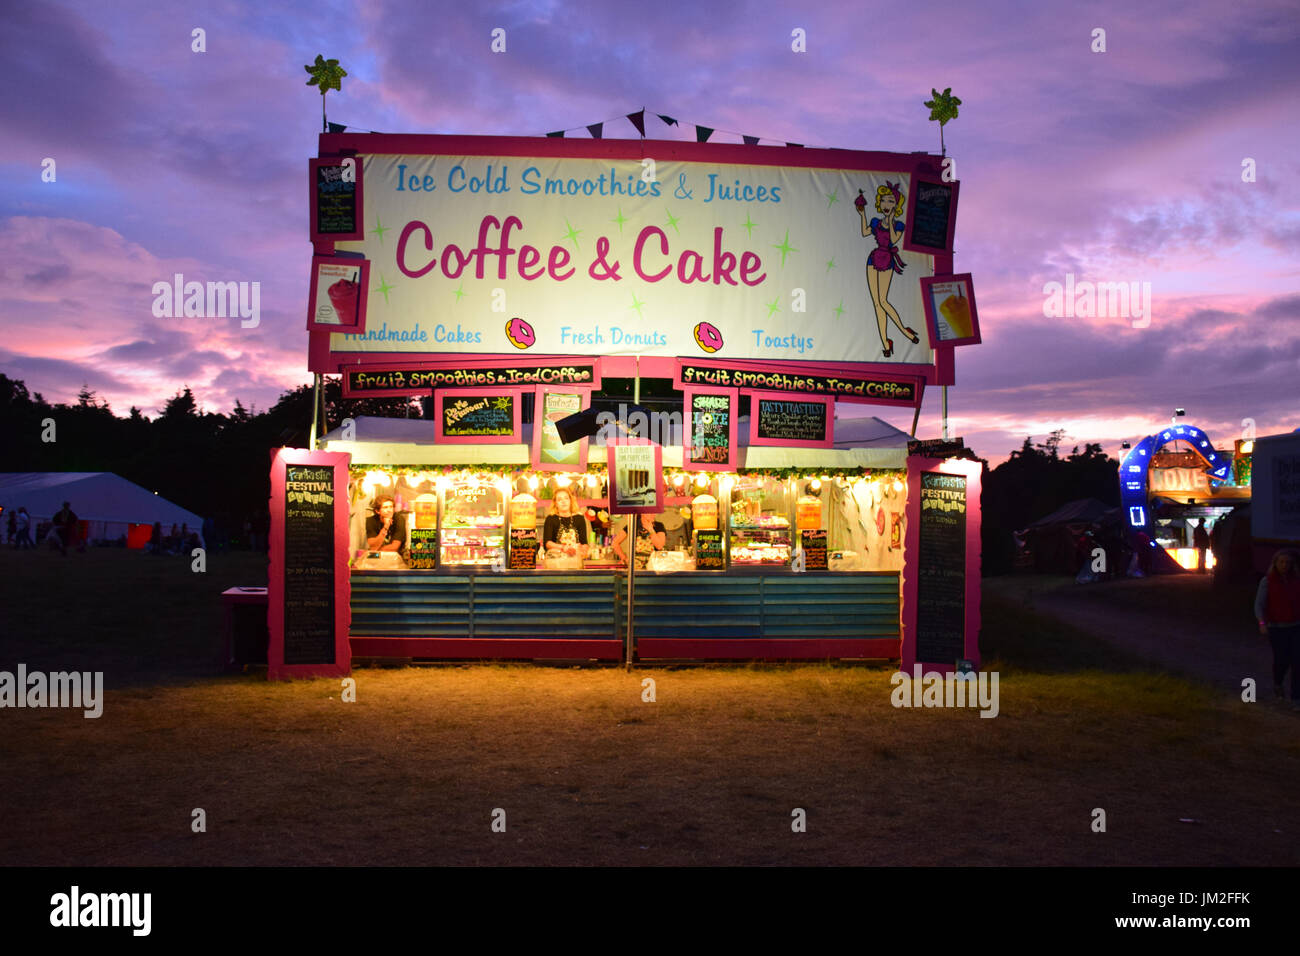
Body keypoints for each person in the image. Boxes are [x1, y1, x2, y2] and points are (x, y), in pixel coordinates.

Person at [855, 181, 918, 358]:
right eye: (884, 201)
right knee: (876, 304)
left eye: (891, 201)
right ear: (879, 203)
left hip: (887, 259)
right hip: (873, 259)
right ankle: (885, 342)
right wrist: (862, 214)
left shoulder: (898, 225)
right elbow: (865, 232)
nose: (887, 205)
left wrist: (890, 221)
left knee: (883, 300)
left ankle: (905, 331)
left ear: (896, 205)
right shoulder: (875, 221)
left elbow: (894, 239)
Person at [1255, 549, 1300, 704]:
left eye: (1287, 562)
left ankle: (1296, 697)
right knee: (1282, 660)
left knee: (1297, 660)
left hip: (1295, 626)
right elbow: (1259, 605)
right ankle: (1278, 683)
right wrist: (1262, 623)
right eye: (1281, 562)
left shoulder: (1296, 581)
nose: (1284, 565)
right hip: (1277, 627)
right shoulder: (1267, 581)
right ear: (1275, 563)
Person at [542, 488, 589, 561]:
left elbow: (584, 543)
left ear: (570, 501)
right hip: (556, 561)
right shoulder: (550, 519)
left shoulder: (580, 518)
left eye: (566, 498)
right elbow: (547, 543)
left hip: (575, 560)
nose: (563, 501)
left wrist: (583, 549)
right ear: (556, 503)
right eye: (559, 499)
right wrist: (563, 548)